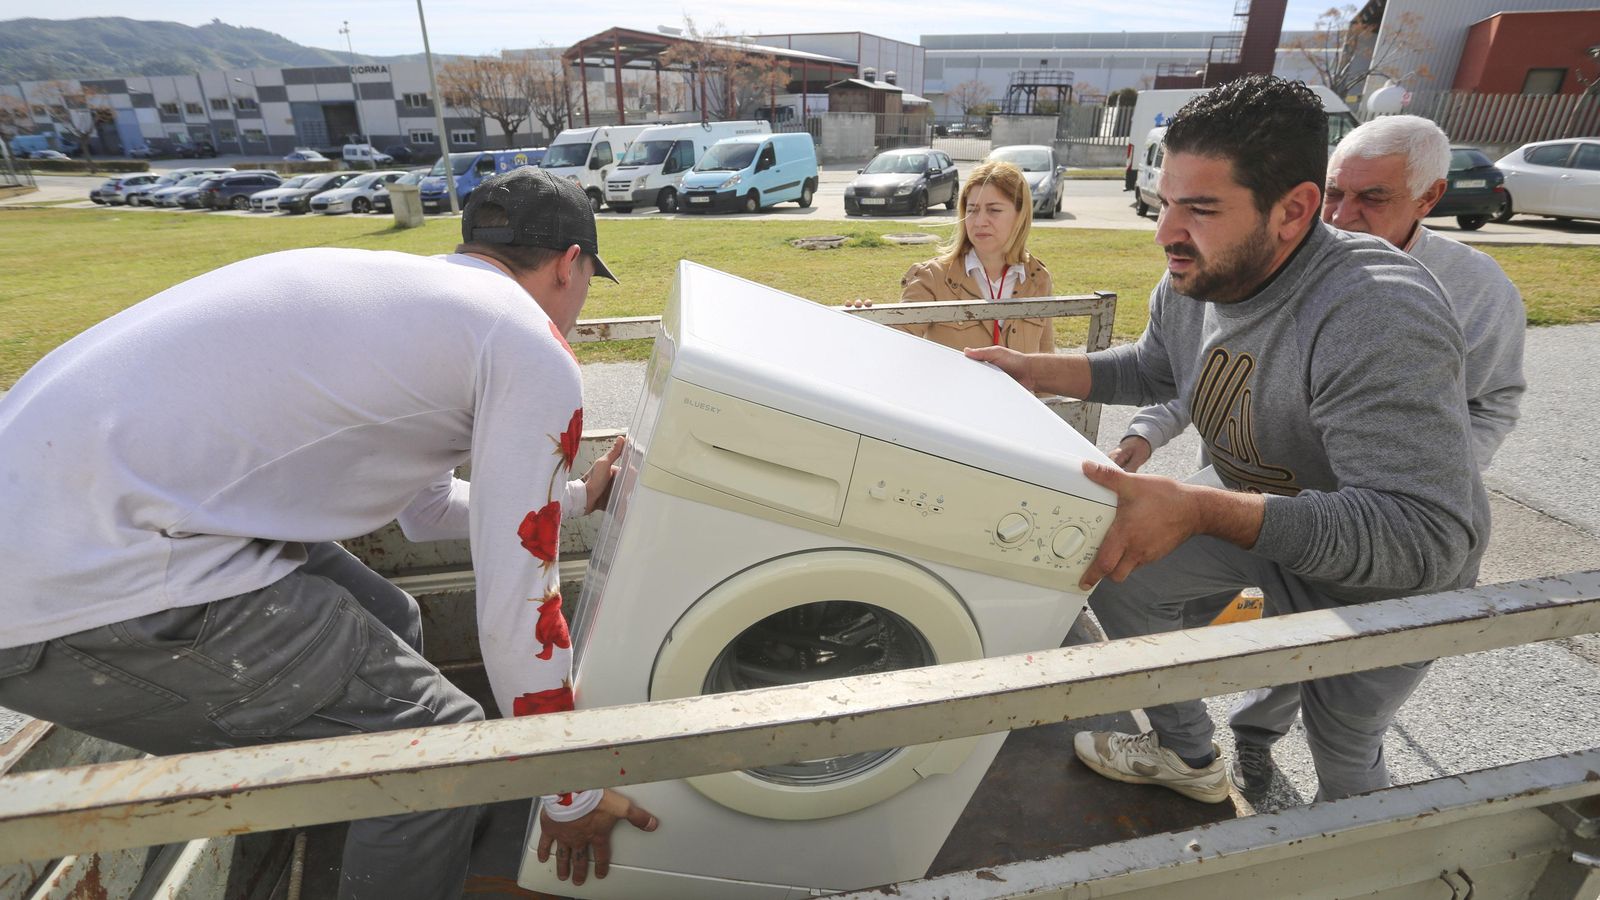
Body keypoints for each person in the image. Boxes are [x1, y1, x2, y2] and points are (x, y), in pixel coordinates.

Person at [0, 168, 657, 897]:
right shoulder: (528, 342)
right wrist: (572, 790)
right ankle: (414, 819)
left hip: (76, 528)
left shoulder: (423, 305)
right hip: (88, 580)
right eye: (590, 277)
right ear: (571, 263)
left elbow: (428, 511)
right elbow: (518, 614)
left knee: (394, 616)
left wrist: (571, 499)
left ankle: (394, 838)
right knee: (438, 750)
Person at [967, 76, 1489, 805]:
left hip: (1381, 576)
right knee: (1119, 566)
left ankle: (1364, 866)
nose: (1164, 232)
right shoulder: (1198, 272)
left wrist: (1203, 507)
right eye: (1168, 199)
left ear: (1295, 210)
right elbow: (1156, 366)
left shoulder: (1377, 311)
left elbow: (1422, 537)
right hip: (1269, 521)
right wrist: (1032, 369)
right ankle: (1187, 755)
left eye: (1201, 208)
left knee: (1341, 745)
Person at [1111, 114, 1525, 476]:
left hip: (1360, 524)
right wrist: (1145, 433)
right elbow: (1194, 365)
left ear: (1429, 197)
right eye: (1334, 193)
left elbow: (1491, 401)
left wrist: (1435, 477)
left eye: (1372, 197)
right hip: (1237, 500)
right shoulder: (1262, 258)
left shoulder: (1477, 289)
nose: (1342, 216)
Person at [854, 160, 1056, 362]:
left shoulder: (1038, 279)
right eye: (972, 210)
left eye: (994, 210)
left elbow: (1046, 369)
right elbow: (895, 343)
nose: (979, 221)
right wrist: (864, 327)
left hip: (1016, 395)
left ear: (1020, 215)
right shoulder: (932, 277)